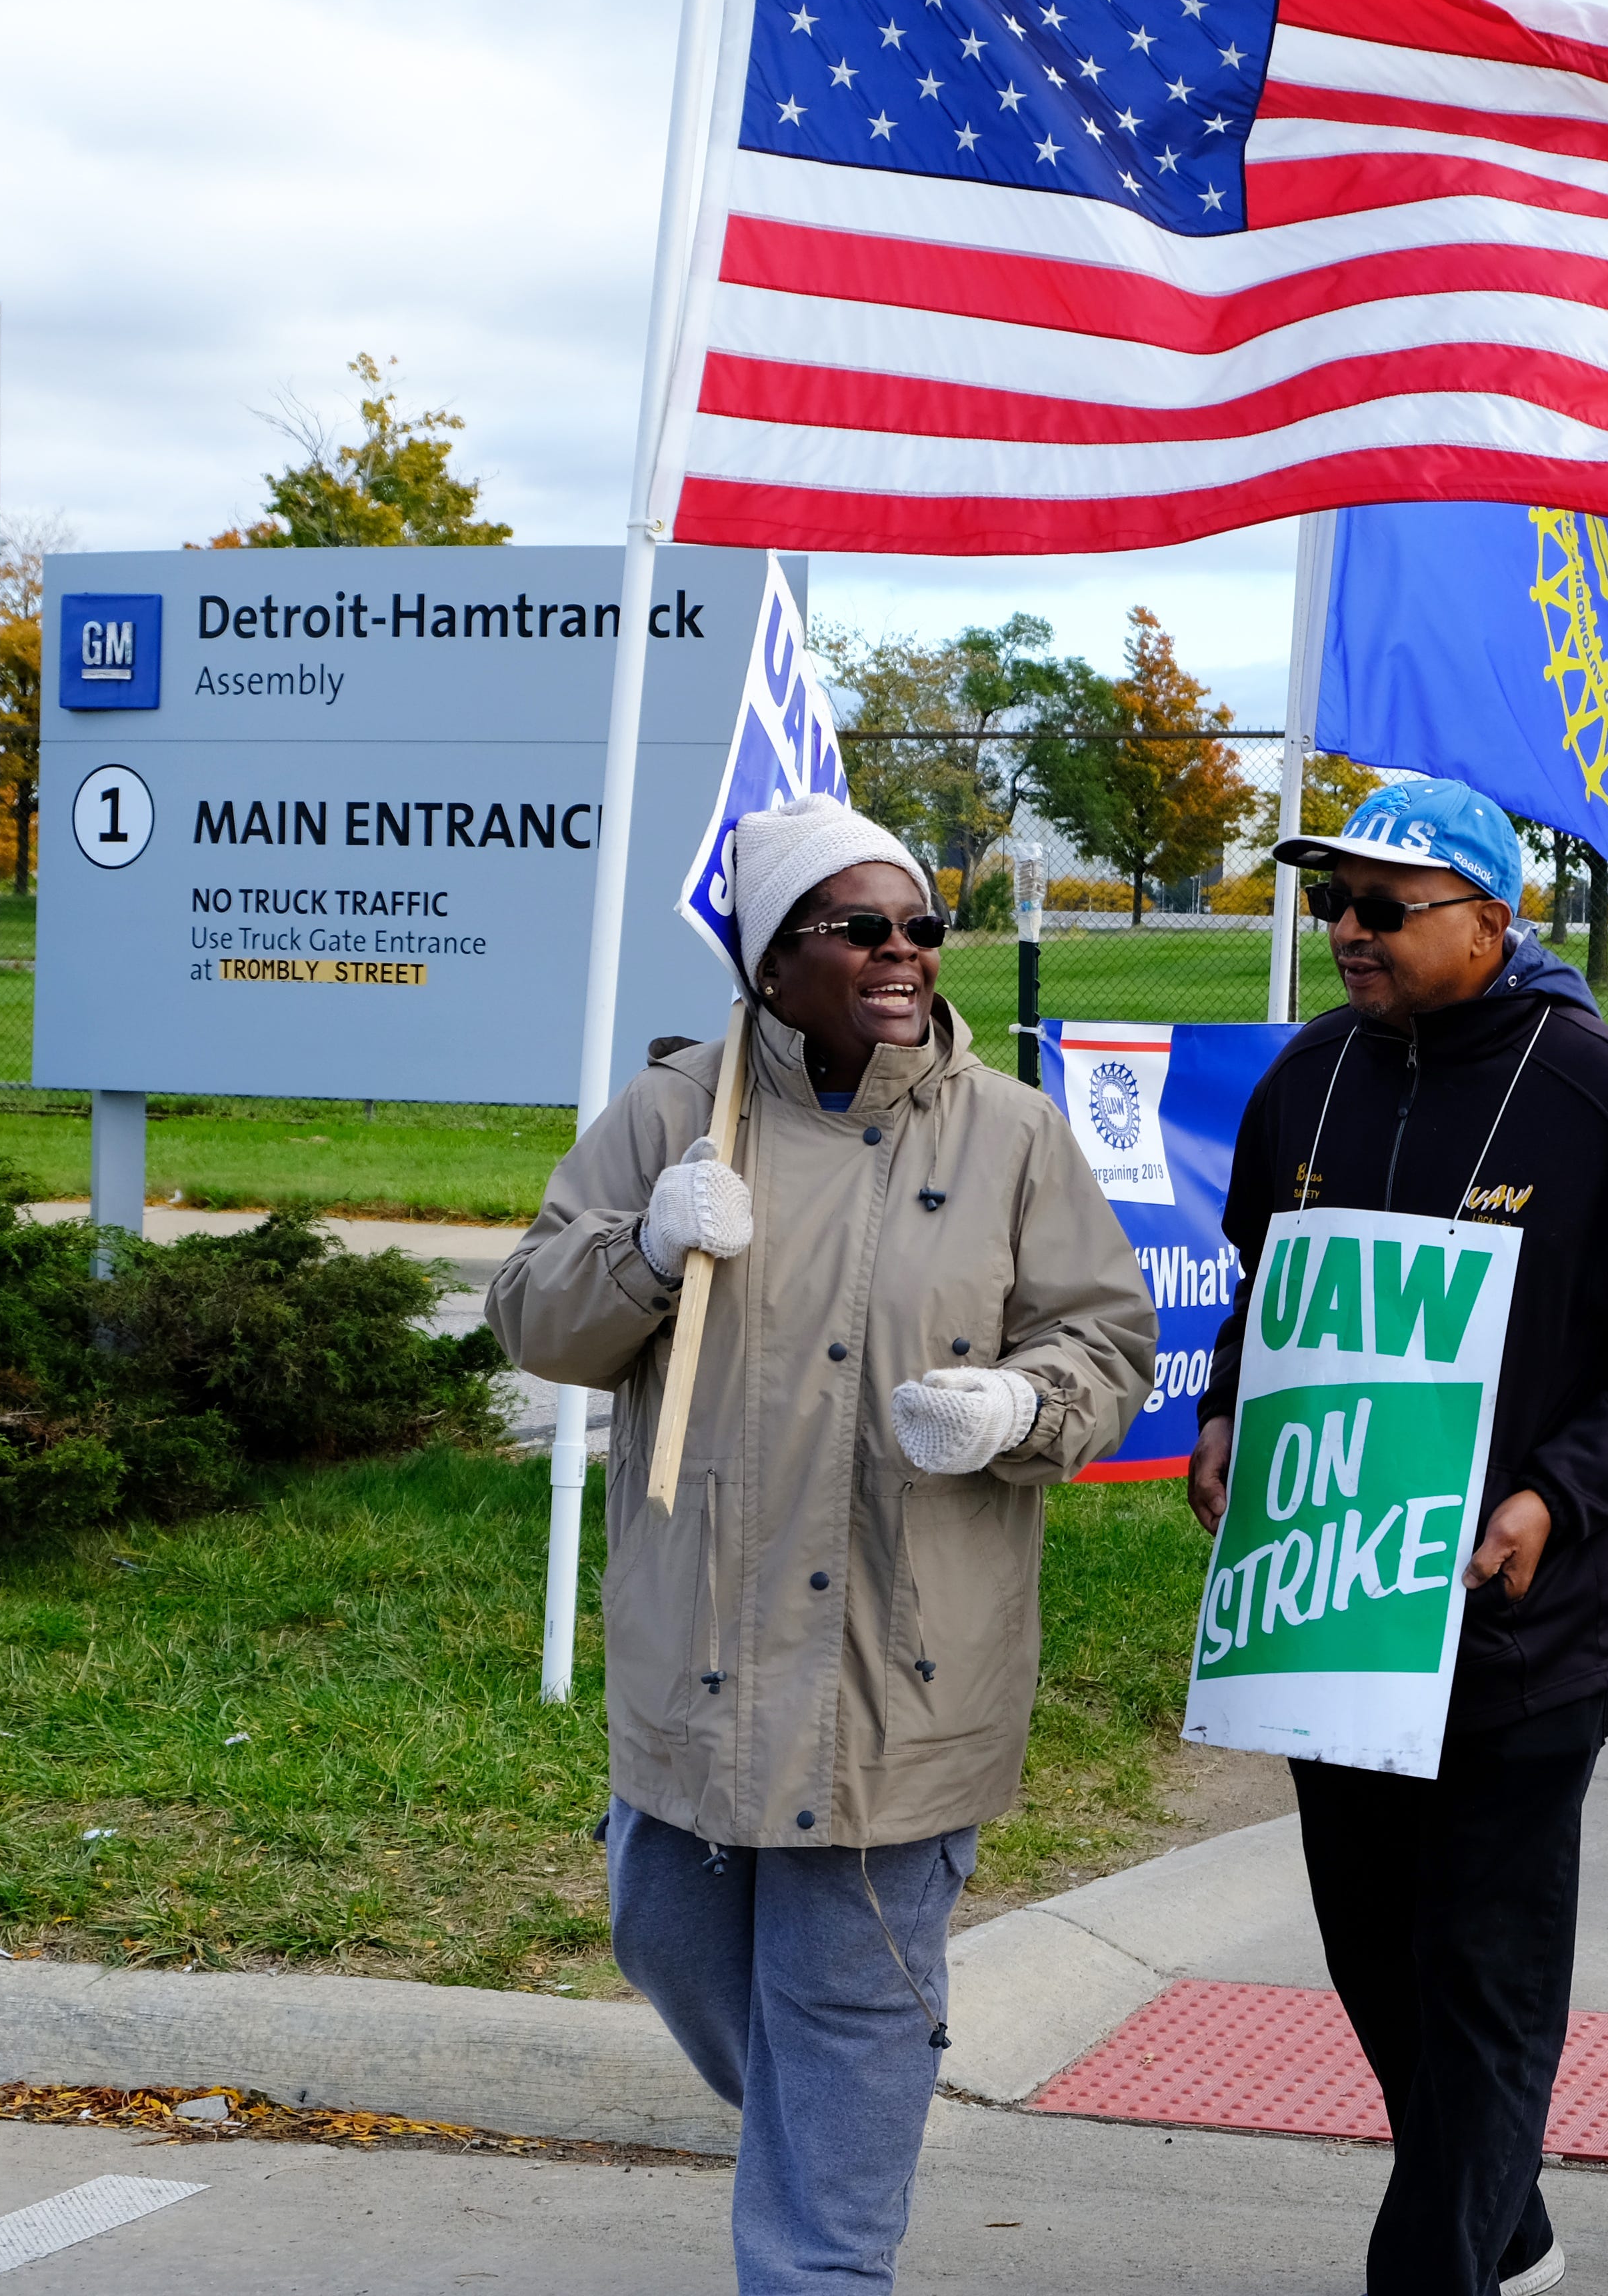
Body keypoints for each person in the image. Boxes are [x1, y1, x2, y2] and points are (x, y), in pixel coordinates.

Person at [487, 795, 1154, 2295]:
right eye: (862, 926)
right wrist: (639, 1251)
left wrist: (1018, 1403)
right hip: (701, 1656)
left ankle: (823, 2231)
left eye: (922, 923)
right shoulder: (671, 1113)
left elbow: (1106, 1341)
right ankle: (826, 2128)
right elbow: (534, 1312)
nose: (904, 951)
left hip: (903, 1665)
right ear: (772, 957)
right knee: (666, 1936)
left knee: (848, 2012)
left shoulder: (1015, 1132)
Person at [1189, 776, 1608, 2296]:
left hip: (1520, 1634)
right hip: (1330, 1617)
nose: (1349, 931)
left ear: (1491, 923)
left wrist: (1556, 1493)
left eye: (1387, 904)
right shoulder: (1304, 1081)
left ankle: (1434, 2266)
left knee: (1484, 1986)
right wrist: (1233, 1410)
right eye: (1334, 902)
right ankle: (1503, 2222)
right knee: (1384, 1972)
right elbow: (1269, 1295)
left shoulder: (1604, 1093)